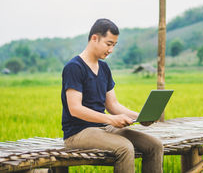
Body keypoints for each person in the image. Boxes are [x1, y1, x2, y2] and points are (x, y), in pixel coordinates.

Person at [61, 18, 163, 173]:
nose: (111, 50)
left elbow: (113, 105)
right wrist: (110, 119)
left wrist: (141, 117)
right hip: (78, 132)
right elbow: (75, 108)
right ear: (94, 38)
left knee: (154, 145)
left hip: (102, 128)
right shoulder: (74, 68)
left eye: (114, 45)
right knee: (125, 148)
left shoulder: (104, 67)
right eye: (108, 44)